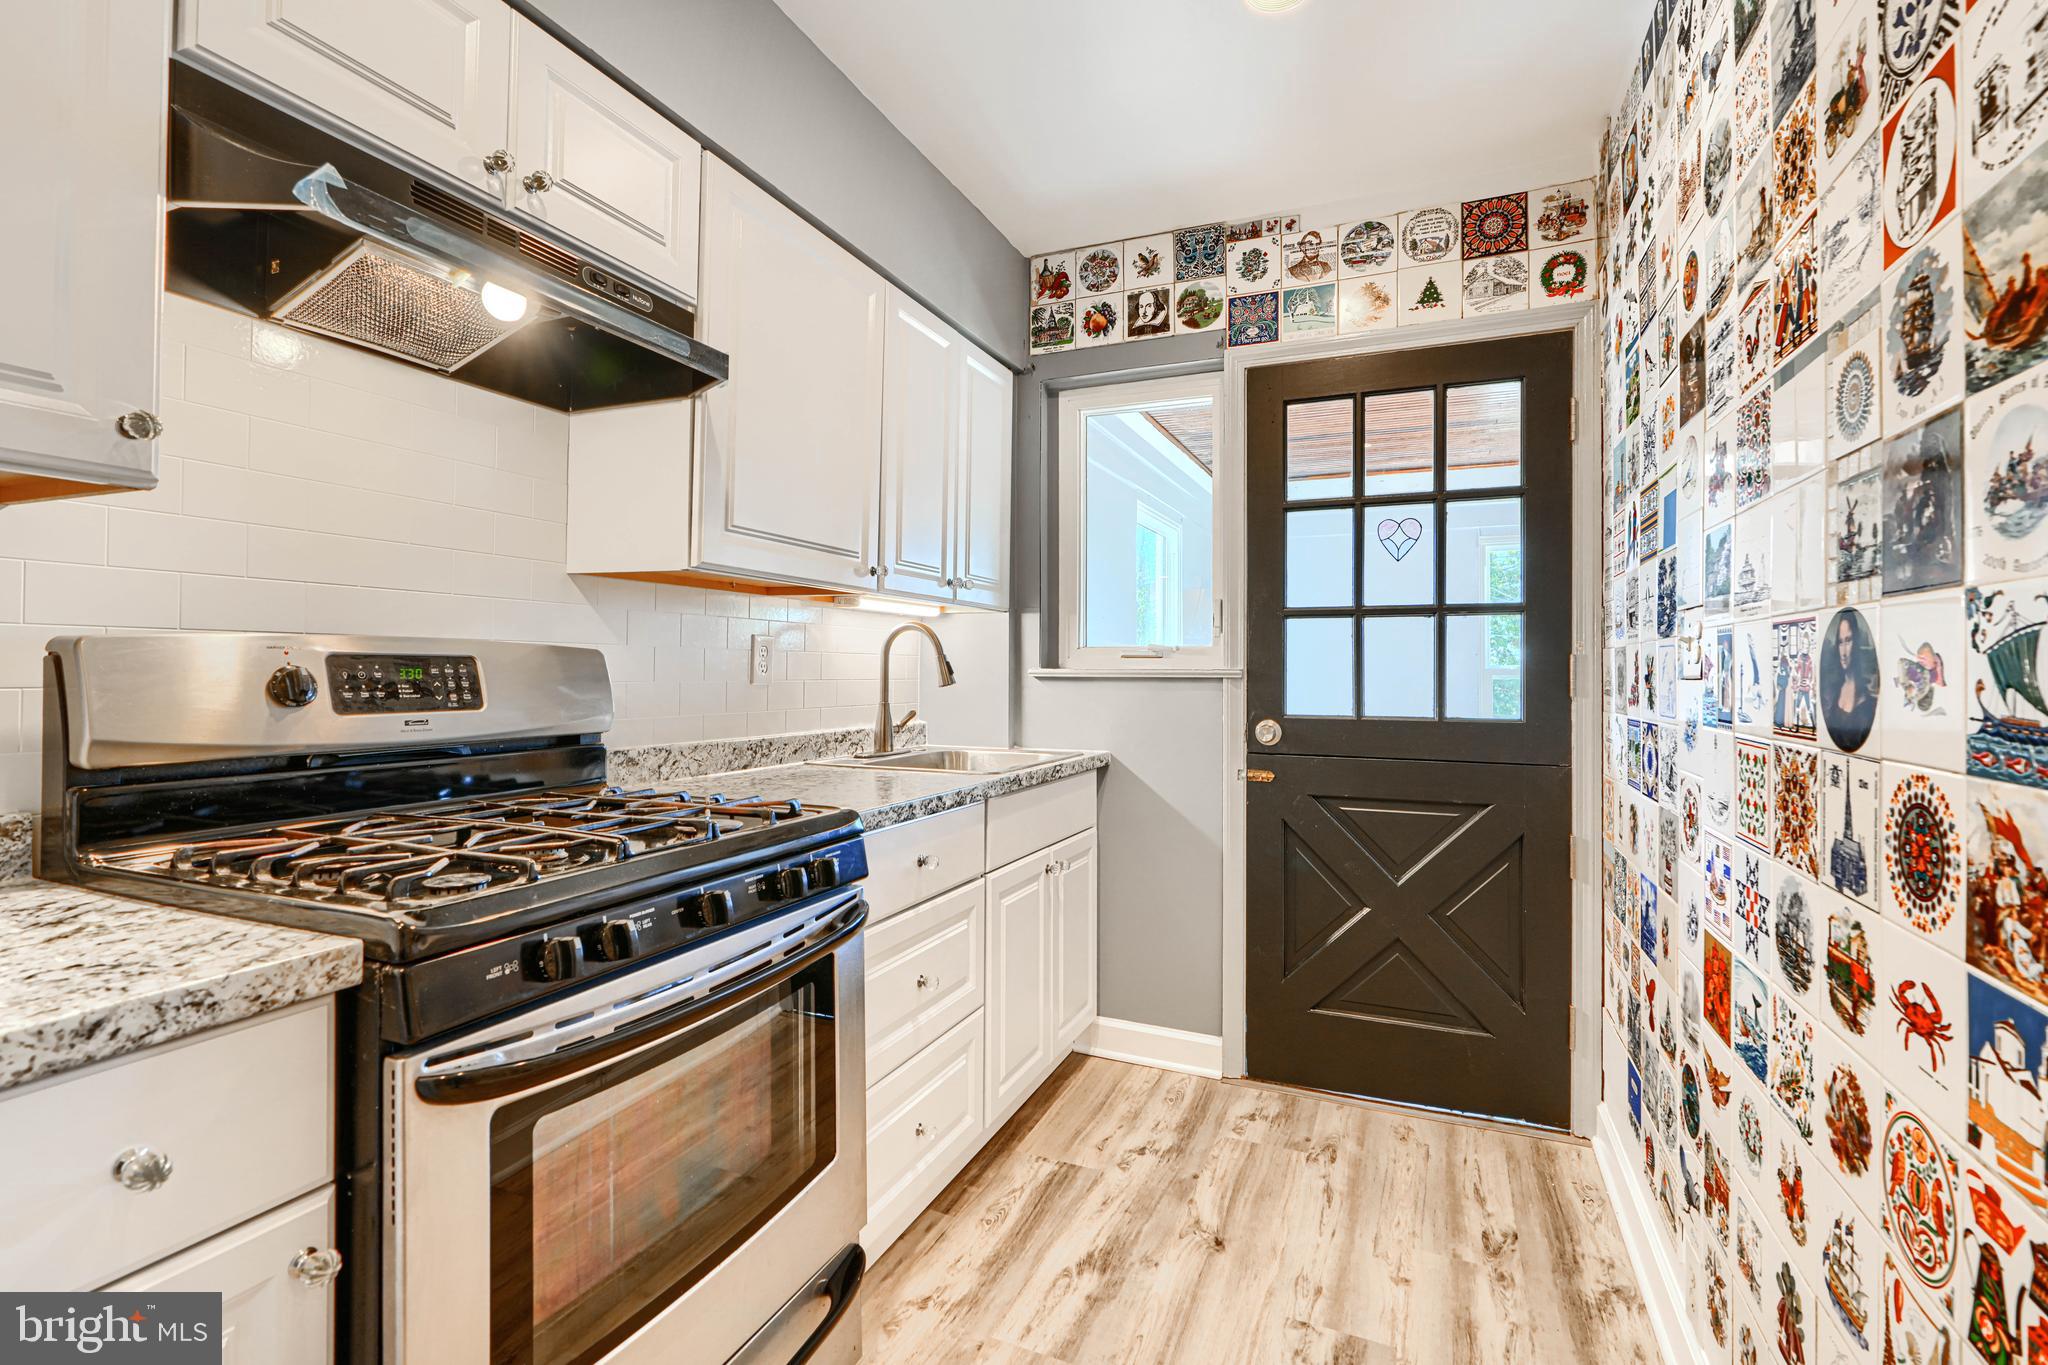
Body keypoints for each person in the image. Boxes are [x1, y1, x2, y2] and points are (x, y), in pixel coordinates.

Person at [1820, 610, 1878, 751]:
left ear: (1856, 642)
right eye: (1840, 642)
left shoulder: (1866, 697)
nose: (1844, 652)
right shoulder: (1834, 690)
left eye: (1848, 641)